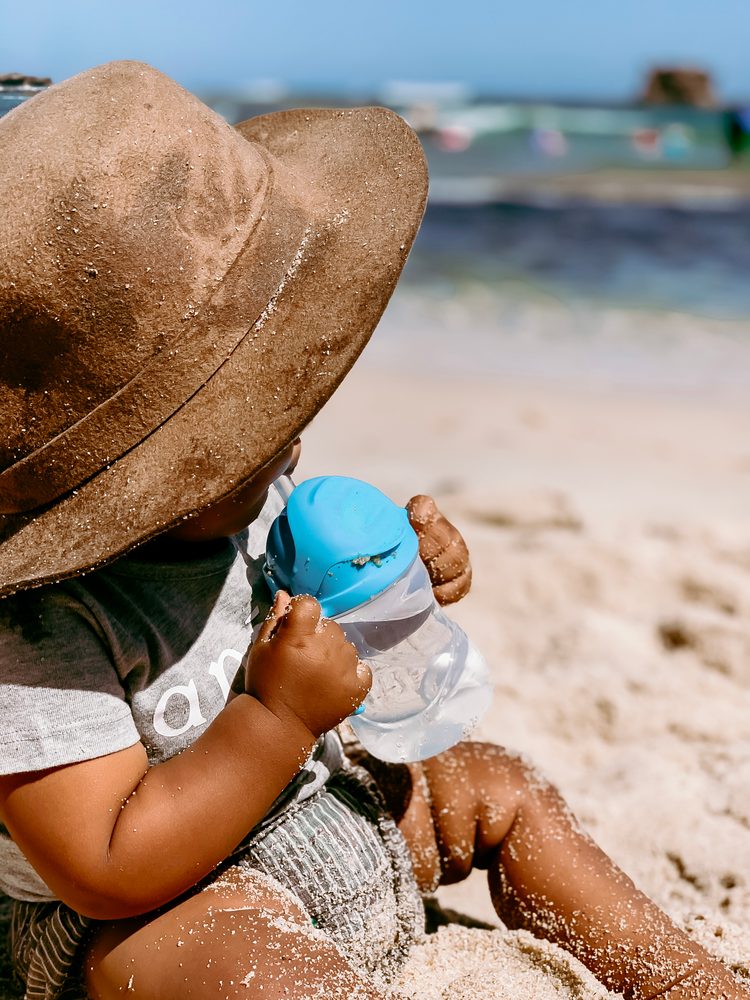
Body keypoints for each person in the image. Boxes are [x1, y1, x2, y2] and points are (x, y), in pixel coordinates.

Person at [0, 61, 746, 1000]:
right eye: (241, 422)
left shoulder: (235, 505)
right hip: (164, 909)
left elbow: (316, 603)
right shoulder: (37, 631)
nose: (290, 429)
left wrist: (395, 582)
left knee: (498, 783)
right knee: (216, 957)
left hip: (326, 816)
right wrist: (275, 718)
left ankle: (690, 981)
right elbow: (105, 865)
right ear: (132, 478)